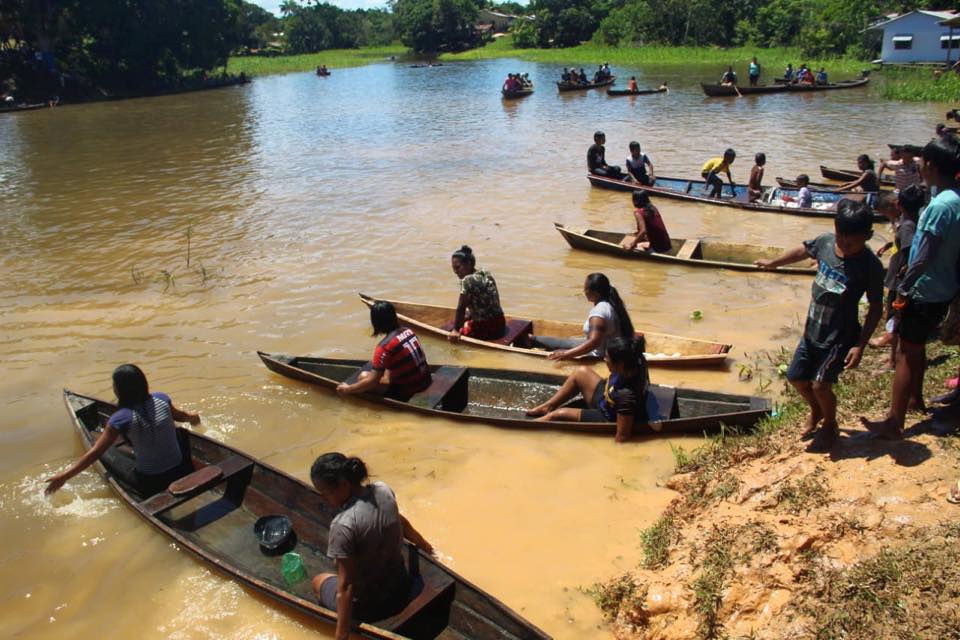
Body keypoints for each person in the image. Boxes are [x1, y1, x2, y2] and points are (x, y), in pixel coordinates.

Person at [754, 200, 884, 452]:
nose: (844, 245)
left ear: (867, 236)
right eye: (840, 237)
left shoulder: (870, 266)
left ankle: (830, 424)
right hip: (813, 329)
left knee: (821, 385)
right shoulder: (825, 242)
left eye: (852, 241)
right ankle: (816, 410)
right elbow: (803, 250)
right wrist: (773, 262)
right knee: (795, 378)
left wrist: (860, 345)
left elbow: (876, 308)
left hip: (841, 336)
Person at [863, 136, 960, 440]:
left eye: (921, 161)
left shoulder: (939, 206)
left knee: (907, 352)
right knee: (916, 348)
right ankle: (916, 400)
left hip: (924, 289)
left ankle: (895, 421)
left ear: (929, 165)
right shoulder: (955, 198)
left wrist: (903, 289)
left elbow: (923, 257)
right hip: (945, 286)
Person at [310, 453, 434, 639]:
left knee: (318, 580)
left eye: (325, 493)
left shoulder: (342, 525)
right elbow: (401, 523)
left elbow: (346, 586)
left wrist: (341, 636)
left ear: (343, 485)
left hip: (371, 608)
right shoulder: (383, 490)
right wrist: (426, 547)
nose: (323, 499)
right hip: (402, 587)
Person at [44, 364, 200, 497]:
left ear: (119, 390)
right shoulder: (162, 399)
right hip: (182, 468)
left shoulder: (121, 418)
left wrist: (65, 476)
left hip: (152, 482)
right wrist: (194, 418)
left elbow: (95, 453)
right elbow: (183, 417)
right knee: (180, 433)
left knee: (105, 452)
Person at [525, 336, 653, 443]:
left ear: (620, 364)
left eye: (607, 358)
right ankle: (547, 406)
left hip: (607, 415)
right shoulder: (637, 360)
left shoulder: (626, 395)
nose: (604, 359)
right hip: (609, 397)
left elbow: (622, 436)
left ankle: (525, 430)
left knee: (558, 415)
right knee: (581, 372)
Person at [871, 186, 924, 369]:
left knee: (894, 321)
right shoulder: (909, 222)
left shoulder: (907, 226)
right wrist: (888, 246)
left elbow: (910, 251)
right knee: (894, 320)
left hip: (898, 282)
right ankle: (893, 356)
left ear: (898, 205)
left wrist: (905, 269)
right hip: (899, 280)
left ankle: (893, 360)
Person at [336, 301, 432, 401]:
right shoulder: (408, 331)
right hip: (426, 380)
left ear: (376, 322)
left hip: (409, 390)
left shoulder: (384, 347)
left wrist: (347, 389)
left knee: (363, 377)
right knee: (383, 366)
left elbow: (372, 382)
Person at [528, 273, 635, 360]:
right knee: (566, 342)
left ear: (595, 293)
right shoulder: (610, 304)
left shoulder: (600, 311)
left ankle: (530, 340)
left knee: (558, 351)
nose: (584, 292)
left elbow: (594, 342)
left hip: (598, 355)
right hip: (602, 347)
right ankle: (532, 339)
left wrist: (566, 354)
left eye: (585, 289)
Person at [448, 245, 505, 342]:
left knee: (452, 331)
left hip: (487, 328)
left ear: (469, 264)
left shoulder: (467, 280)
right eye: (454, 268)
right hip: (500, 322)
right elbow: (484, 301)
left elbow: (461, 307)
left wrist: (456, 330)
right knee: (466, 318)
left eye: (458, 267)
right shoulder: (485, 273)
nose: (455, 272)